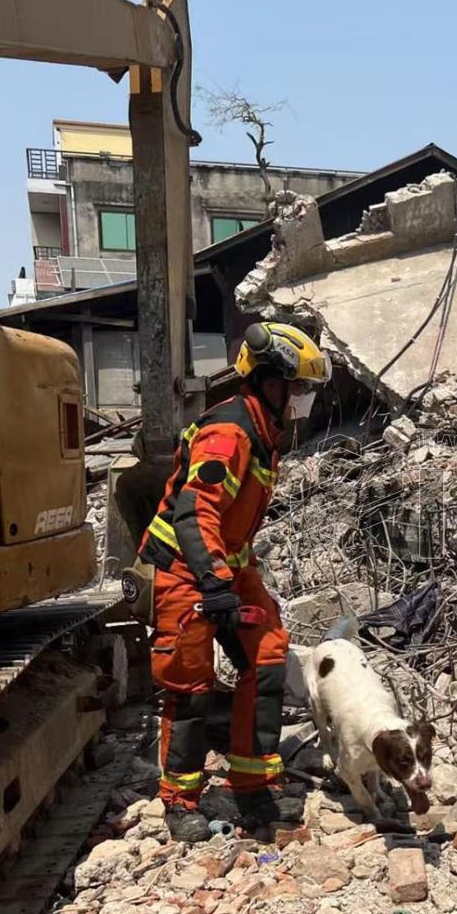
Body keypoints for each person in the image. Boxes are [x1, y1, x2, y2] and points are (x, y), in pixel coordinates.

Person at [138, 321, 330, 841]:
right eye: (298, 388)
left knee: (268, 655)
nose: (301, 400)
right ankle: (179, 800)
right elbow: (194, 512)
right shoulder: (229, 433)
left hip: (226, 565)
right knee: (189, 681)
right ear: (269, 381)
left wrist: (229, 578)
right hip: (186, 567)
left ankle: (252, 787)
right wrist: (214, 585)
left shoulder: (263, 431)